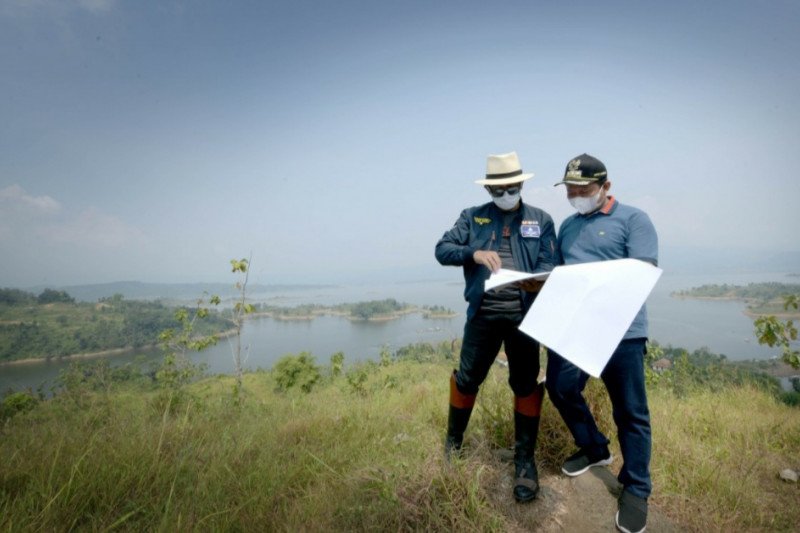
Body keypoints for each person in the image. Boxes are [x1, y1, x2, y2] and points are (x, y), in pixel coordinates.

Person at [435, 151, 557, 503]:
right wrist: (473, 253)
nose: (505, 193)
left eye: (511, 186)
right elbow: (442, 249)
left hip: (523, 319)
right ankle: (452, 448)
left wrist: (538, 281)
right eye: (498, 189)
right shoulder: (472, 218)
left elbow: (551, 262)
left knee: (525, 384)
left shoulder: (540, 219)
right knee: (467, 379)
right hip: (483, 317)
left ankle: (524, 463)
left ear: (521, 184)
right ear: (489, 189)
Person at [546, 153, 658, 533]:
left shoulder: (634, 220)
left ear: (605, 187)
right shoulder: (568, 226)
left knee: (630, 411)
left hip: (622, 331)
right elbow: (561, 275)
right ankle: (595, 448)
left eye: (584, 189)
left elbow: (640, 273)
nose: (577, 195)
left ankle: (637, 487)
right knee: (560, 388)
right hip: (577, 328)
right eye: (571, 190)